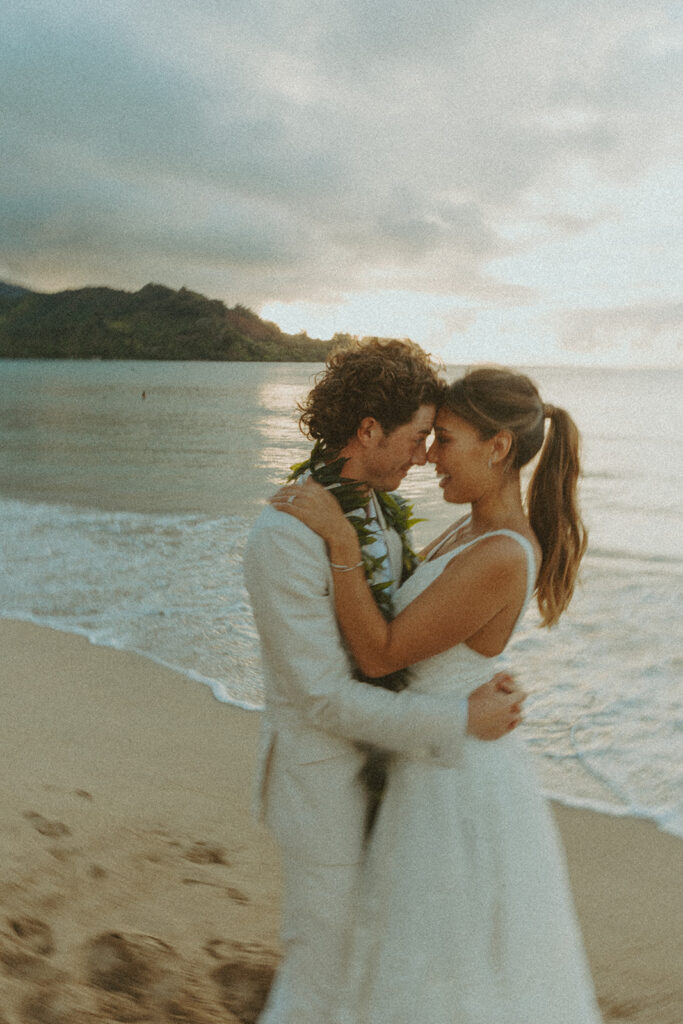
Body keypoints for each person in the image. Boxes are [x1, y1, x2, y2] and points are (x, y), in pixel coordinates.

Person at [272, 366, 602, 1024]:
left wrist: (338, 538)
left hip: (456, 786)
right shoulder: (469, 530)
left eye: (444, 440)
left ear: (496, 447)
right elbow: (426, 638)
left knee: (441, 971)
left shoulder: (501, 552)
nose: (429, 458)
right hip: (430, 756)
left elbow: (381, 651)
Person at [243, 343, 527, 1024]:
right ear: (368, 430)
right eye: (416, 436)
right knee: (322, 965)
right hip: (322, 782)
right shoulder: (284, 536)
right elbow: (321, 697)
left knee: (368, 961)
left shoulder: (371, 514)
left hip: (389, 774)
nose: (424, 455)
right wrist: (459, 719)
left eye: (435, 438)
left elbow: (401, 630)